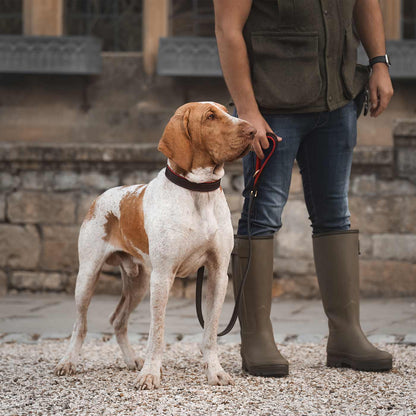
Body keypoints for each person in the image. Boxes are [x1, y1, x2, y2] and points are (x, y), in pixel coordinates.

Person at [213, 0, 394, 376]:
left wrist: (379, 62)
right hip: (272, 107)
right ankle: (257, 339)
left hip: (338, 100)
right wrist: (247, 109)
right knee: (262, 217)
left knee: (335, 214)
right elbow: (227, 30)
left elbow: (366, 2)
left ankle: (345, 335)